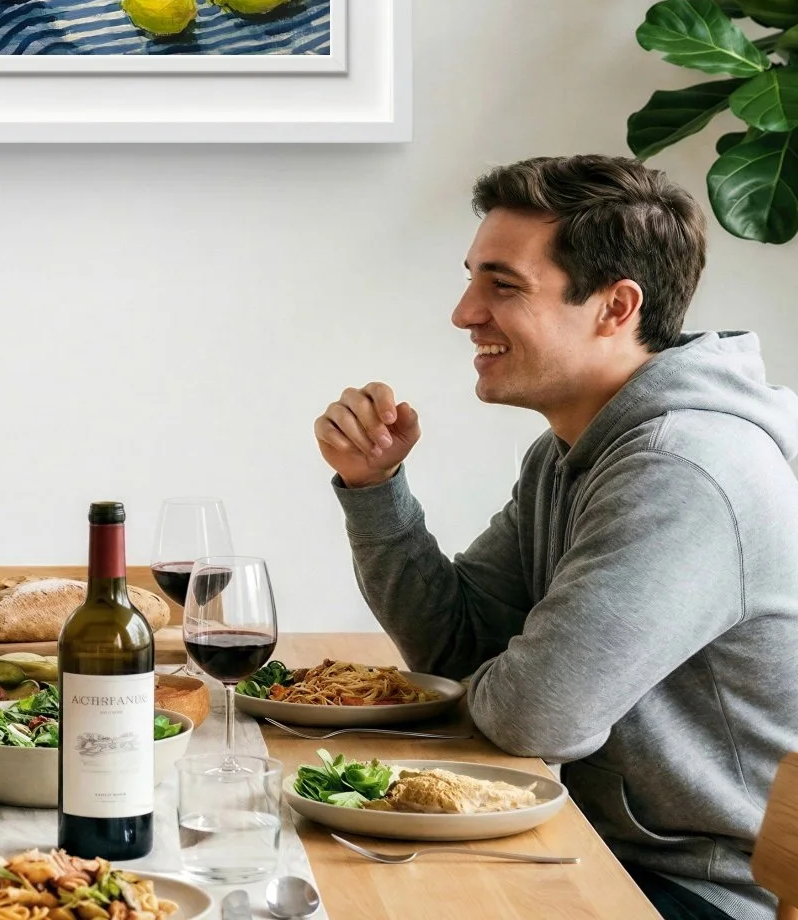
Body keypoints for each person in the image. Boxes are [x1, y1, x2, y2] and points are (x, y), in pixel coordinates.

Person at [316, 155, 798, 920]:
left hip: (690, 893)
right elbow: (457, 642)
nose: (464, 312)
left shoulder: (685, 469)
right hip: (579, 843)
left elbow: (536, 719)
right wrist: (375, 491)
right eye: (473, 277)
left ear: (616, 306)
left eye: (502, 285)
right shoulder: (571, 450)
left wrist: (512, 684)